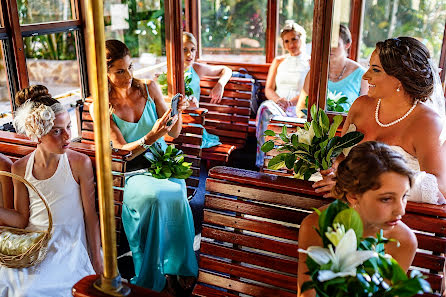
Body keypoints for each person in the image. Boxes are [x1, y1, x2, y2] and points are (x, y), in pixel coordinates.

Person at [105, 39, 197, 293]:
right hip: (132, 172)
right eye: (120, 71)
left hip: (162, 162)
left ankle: (179, 266)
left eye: (131, 67)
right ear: (106, 73)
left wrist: (176, 115)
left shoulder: (149, 88)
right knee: (155, 197)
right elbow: (123, 151)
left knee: (176, 192)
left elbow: (174, 133)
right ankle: (152, 271)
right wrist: (150, 137)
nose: (128, 75)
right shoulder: (102, 105)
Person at [313, 37, 446, 205]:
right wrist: (333, 169)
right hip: (339, 201)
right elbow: (341, 156)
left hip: (396, 216)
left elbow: (439, 187)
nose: (366, 76)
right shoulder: (360, 105)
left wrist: (356, 186)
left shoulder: (427, 123)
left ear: (399, 78)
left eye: (375, 70)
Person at [0, 85, 102, 297]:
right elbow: (21, 219)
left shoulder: (78, 164)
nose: (67, 136)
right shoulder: (20, 168)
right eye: (56, 131)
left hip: (68, 245)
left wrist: (97, 263)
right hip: (32, 244)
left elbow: (91, 217)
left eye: (69, 127)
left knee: (30, 292)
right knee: (7, 285)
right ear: (37, 134)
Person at [298, 141, 417, 297]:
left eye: (404, 196)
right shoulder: (316, 226)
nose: (401, 210)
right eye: (386, 199)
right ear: (353, 195)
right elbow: (307, 293)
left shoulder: (403, 241)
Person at [256, 22, 310, 167]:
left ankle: (287, 165)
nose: (291, 44)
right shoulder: (279, 61)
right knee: (264, 108)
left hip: (298, 107)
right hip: (277, 105)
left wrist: (291, 103)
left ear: (302, 38)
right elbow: (268, 89)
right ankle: (263, 161)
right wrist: (279, 100)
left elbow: (310, 90)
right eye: (286, 41)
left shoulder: (310, 62)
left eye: (294, 39)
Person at [296, 24, 368, 117]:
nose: (329, 48)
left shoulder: (362, 75)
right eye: (326, 43)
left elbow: (364, 113)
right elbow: (301, 107)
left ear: (347, 44)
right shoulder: (314, 72)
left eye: (335, 43)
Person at [183, 31, 232, 149]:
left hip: (194, 121)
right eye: (185, 49)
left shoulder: (196, 68)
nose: (189, 54)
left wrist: (220, 84)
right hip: (177, 123)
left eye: (192, 50)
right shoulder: (169, 72)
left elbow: (226, 70)